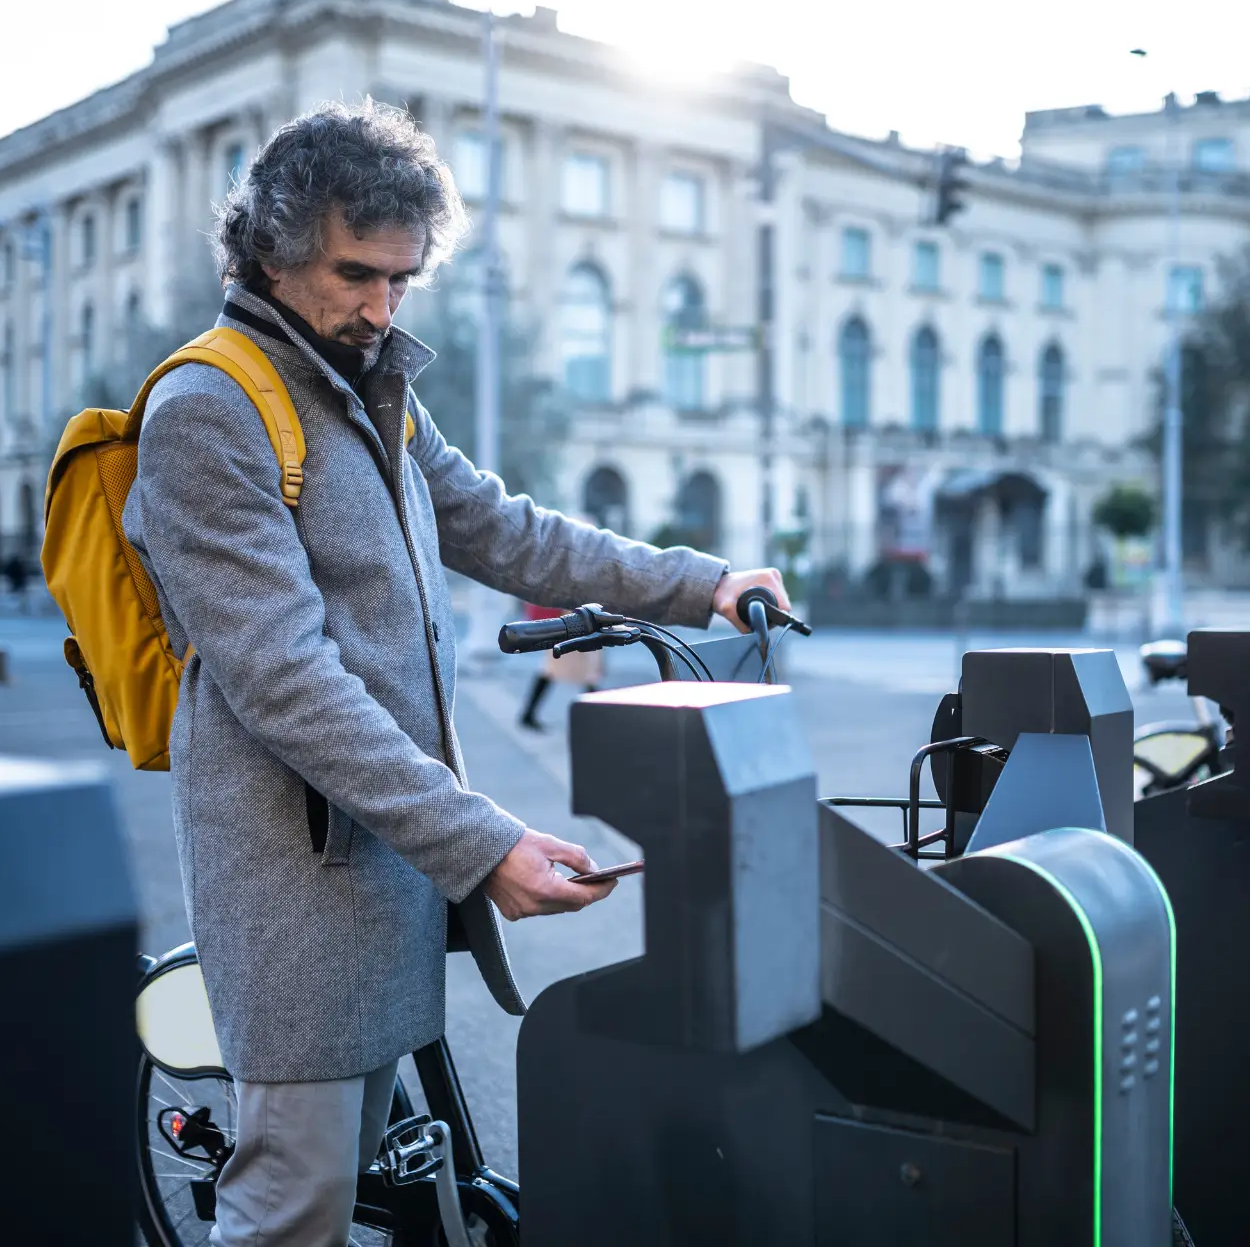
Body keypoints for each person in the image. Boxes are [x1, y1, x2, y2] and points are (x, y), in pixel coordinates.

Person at [121, 99, 789, 1246]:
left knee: (370, 1177)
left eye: (405, 278)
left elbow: (504, 528)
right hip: (297, 876)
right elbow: (287, 681)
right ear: (271, 251)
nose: (384, 306)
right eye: (357, 274)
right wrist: (484, 842)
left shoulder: (367, 382)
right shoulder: (207, 410)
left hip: (389, 849)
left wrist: (701, 580)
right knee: (293, 1207)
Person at [515, 599, 604, 731]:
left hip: (572, 619)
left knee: (559, 669)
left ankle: (528, 714)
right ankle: (599, 718)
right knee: (586, 672)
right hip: (573, 619)